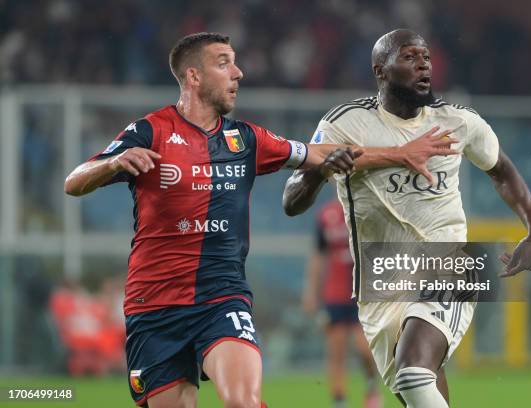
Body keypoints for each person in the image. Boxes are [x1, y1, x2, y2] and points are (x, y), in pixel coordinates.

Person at [64, 32, 458, 408]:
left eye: (235, 64)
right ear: (193, 76)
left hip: (221, 297)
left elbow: (322, 154)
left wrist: (400, 152)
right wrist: (113, 163)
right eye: (224, 65)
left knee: (243, 401)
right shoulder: (150, 132)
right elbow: (74, 182)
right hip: (154, 305)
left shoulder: (247, 139)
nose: (238, 73)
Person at [283, 29, 531, 407]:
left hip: (447, 261)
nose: (423, 63)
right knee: (418, 388)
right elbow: (291, 201)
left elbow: (500, 168)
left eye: (425, 56)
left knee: (413, 370)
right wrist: (321, 168)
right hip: (381, 281)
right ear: (381, 71)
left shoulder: (457, 122)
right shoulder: (344, 123)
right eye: (409, 57)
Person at [303, 199, 381, 408]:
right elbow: (319, 255)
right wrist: (311, 292)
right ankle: (340, 401)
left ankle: (372, 386)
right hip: (334, 293)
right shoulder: (326, 215)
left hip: (363, 292)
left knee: (364, 348)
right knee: (336, 350)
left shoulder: (367, 209)